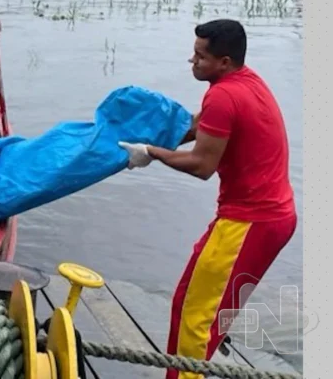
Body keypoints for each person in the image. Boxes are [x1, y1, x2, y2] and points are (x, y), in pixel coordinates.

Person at [119, 19, 297, 379]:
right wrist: (149, 141)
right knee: (189, 303)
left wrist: (151, 152)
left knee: (198, 318)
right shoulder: (244, 82)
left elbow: (202, 166)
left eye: (201, 56)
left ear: (225, 62)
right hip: (267, 217)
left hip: (251, 222)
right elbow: (201, 126)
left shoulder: (223, 94)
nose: (192, 61)